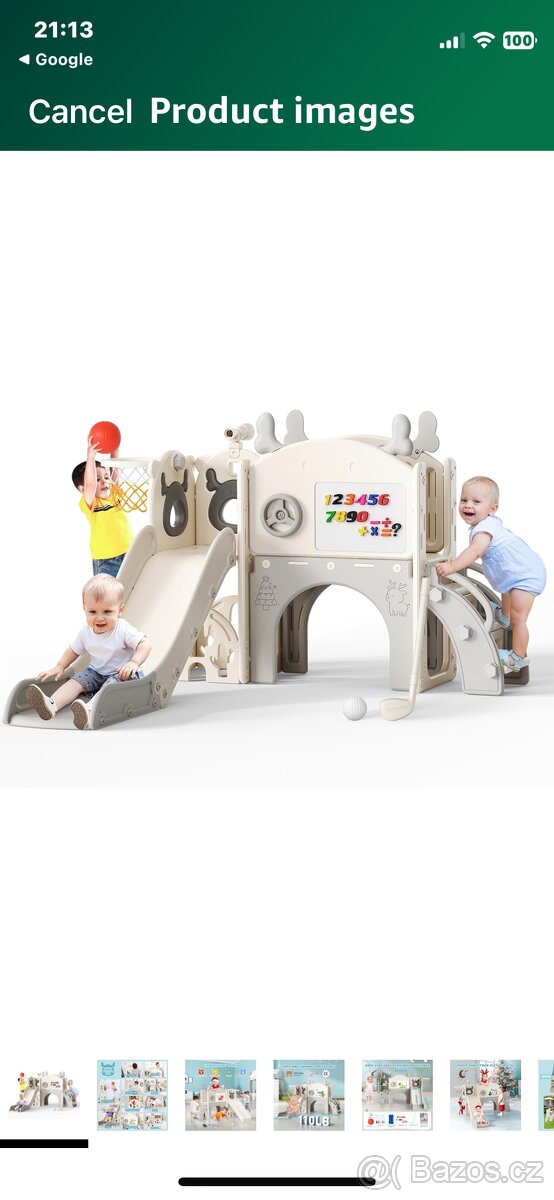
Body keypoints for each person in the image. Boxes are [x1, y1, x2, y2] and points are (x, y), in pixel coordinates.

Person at [436, 476, 546, 672]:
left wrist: (452, 566)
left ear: (492, 509)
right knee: (506, 588)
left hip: (526, 576)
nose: (468, 505)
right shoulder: (485, 525)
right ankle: (504, 615)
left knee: (519, 619)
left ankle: (516, 657)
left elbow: (475, 551)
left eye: (476, 501)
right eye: (464, 500)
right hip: (513, 574)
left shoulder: (484, 528)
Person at [25, 574, 151, 730]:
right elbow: (73, 650)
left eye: (107, 611)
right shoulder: (86, 632)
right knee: (76, 680)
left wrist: (133, 662)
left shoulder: (123, 629)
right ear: (84, 609)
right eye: (92, 611)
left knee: (111, 685)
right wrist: (60, 666)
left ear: (120, 610)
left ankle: (90, 710)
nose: (99, 618)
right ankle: (51, 704)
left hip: (123, 673)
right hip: (97, 672)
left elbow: (145, 644)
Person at [72, 435, 133, 577]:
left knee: (132, 589)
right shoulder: (91, 504)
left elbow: (114, 471)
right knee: (108, 592)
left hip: (130, 552)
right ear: (82, 489)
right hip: (107, 560)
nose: (104, 482)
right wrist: (91, 457)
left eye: (105, 477)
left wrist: (114, 448)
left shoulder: (115, 495)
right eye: (97, 479)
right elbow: (90, 485)